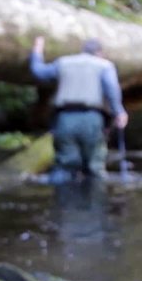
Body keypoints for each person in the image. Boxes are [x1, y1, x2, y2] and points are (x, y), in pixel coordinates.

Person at [29, 36, 128, 182]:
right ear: (99, 52)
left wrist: (37, 50)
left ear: (83, 50)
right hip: (91, 119)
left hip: (64, 119)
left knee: (64, 166)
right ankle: (94, 201)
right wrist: (119, 112)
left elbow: (39, 72)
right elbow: (111, 89)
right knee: (94, 168)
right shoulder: (104, 66)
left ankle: (63, 202)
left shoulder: (63, 62)